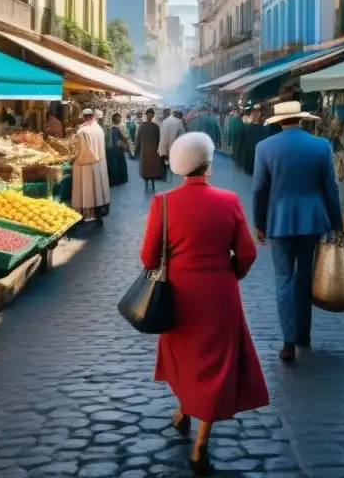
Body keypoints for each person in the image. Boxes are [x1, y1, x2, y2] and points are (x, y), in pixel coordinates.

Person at [141, 132, 269, 477]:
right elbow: (246, 253)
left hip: (178, 295)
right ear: (208, 165)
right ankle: (200, 443)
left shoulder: (163, 203)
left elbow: (148, 258)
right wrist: (231, 276)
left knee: (184, 360)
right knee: (216, 367)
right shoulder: (228, 201)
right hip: (220, 295)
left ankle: (184, 411)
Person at [253, 101, 344, 363]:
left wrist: (259, 222)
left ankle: (288, 342)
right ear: (302, 119)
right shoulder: (320, 146)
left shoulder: (265, 147)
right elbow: (330, 188)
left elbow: (259, 190)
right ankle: (304, 334)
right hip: (312, 221)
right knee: (305, 276)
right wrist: (336, 223)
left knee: (283, 279)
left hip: (279, 221)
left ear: (280, 122)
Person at [71, 109, 111, 223]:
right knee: (97, 188)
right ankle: (98, 213)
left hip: (84, 166)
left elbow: (78, 150)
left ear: (83, 117)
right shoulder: (99, 129)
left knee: (86, 189)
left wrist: (73, 159)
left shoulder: (82, 131)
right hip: (99, 165)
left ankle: (86, 214)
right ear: (93, 116)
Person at [135, 108, 164, 192]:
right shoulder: (155, 127)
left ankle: (146, 183)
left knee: (146, 168)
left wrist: (136, 150)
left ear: (146, 115)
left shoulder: (141, 126)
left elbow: (137, 139)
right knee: (153, 168)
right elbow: (159, 140)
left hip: (144, 151)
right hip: (153, 151)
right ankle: (153, 184)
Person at [158, 109, 186, 180]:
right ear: (179, 115)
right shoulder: (179, 122)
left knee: (164, 159)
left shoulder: (165, 120)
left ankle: (164, 176)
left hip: (162, 144)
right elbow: (182, 135)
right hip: (172, 145)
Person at [105, 113, 129, 188]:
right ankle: (117, 180)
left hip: (115, 149)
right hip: (114, 149)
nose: (120, 119)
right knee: (115, 165)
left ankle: (117, 180)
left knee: (116, 165)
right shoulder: (115, 128)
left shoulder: (115, 128)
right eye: (119, 118)